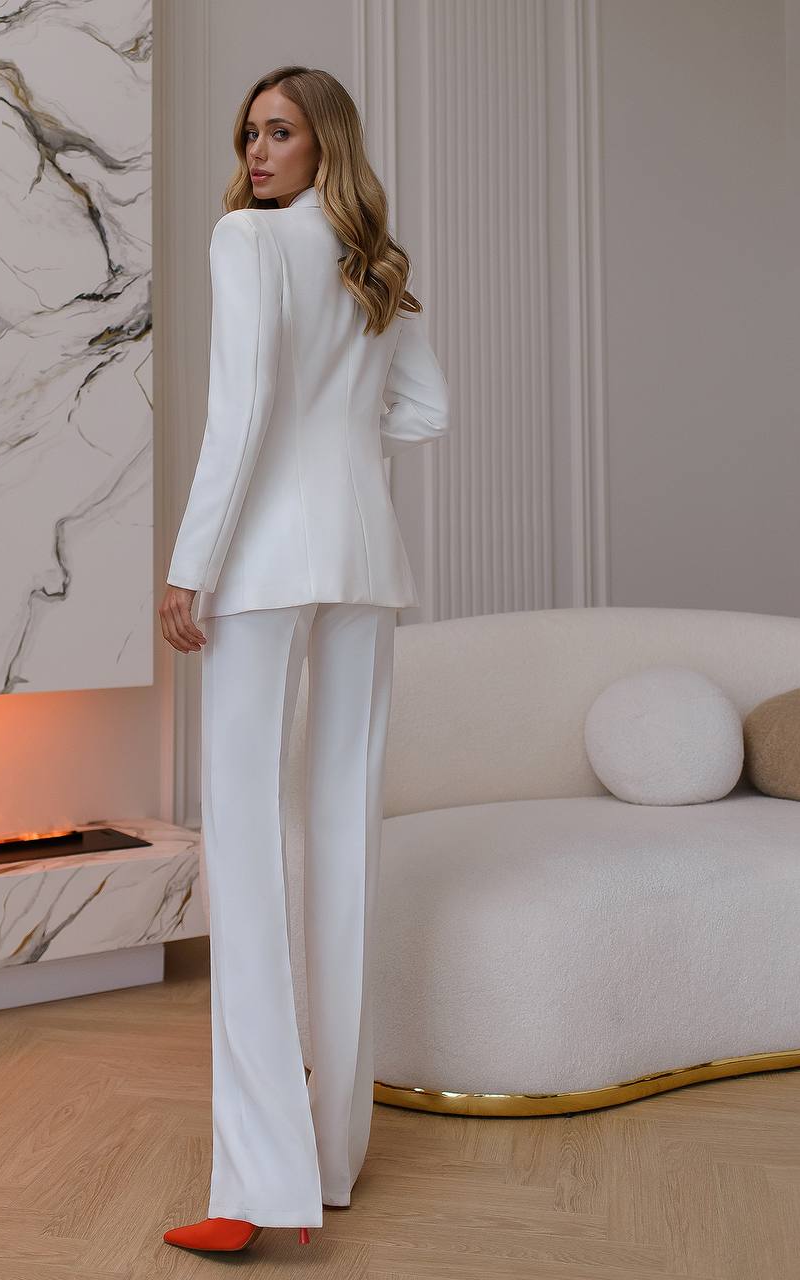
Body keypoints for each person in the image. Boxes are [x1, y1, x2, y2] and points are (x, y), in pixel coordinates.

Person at [158, 64, 450, 1255]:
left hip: (264, 565)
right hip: (362, 561)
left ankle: (255, 1187)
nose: (257, 149)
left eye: (278, 130)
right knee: (341, 837)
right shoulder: (374, 261)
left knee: (245, 847)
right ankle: (327, 1160)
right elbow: (424, 411)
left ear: (325, 138)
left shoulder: (247, 240)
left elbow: (237, 414)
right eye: (249, 132)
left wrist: (191, 564)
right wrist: (335, 452)